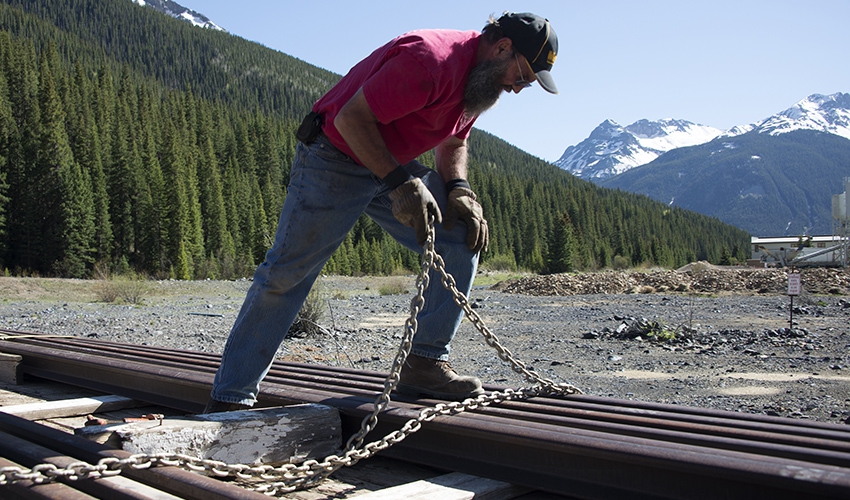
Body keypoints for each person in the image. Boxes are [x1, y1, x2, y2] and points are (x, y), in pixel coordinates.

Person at [204, 11, 560, 412]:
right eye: (524, 75)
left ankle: (423, 363)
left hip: (391, 163)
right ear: (502, 47)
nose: (520, 87)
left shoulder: (481, 82)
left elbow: (454, 141)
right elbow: (351, 118)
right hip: (335, 156)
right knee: (287, 273)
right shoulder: (431, 60)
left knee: (462, 237)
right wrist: (401, 185)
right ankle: (230, 398)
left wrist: (459, 188)